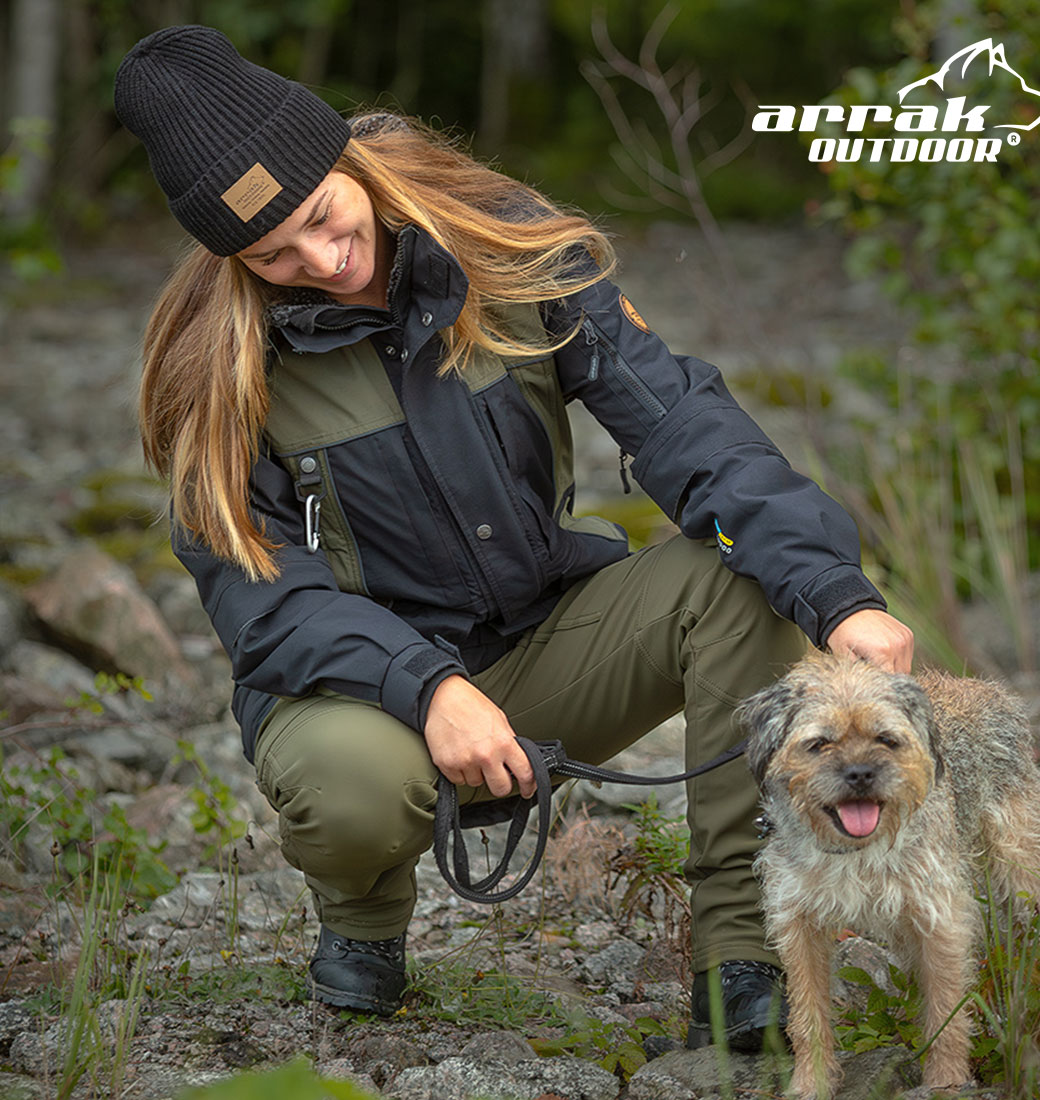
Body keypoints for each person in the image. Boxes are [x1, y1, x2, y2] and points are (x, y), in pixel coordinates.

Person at [114, 25, 912, 1050]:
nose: (319, 261)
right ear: (231, 258)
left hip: (542, 645)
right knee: (349, 791)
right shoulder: (211, 372)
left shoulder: (505, 246)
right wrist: (427, 688)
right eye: (272, 255)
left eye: (320, 217)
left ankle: (742, 953)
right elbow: (265, 606)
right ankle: (361, 919)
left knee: (745, 579)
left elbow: (681, 425)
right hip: (366, 702)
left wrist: (837, 593)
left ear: (345, 162)